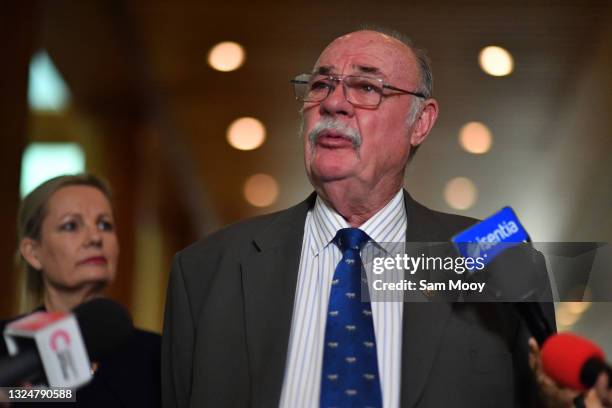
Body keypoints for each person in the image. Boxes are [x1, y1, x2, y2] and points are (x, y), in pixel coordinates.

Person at [162, 29, 572, 407]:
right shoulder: (204, 271)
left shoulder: (498, 258)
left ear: (421, 122)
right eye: (320, 84)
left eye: (366, 87)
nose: (333, 102)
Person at [0, 174, 161, 407]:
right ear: (33, 252)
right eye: (71, 225)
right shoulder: (6, 347)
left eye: (105, 225)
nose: (95, 237)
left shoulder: (158, 357)